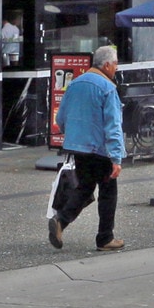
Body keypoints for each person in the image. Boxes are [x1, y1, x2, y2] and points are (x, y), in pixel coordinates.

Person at [48, 44, 125, 254]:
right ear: (107, 65)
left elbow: (61, 118)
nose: (116, 68)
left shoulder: (75, 84)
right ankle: (105, 238)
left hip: (77, 148)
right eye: (116, 64)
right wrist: (116, 157)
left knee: (84, 188)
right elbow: (113, 126)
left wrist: (73, 135)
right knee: (108, 192)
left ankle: (60, 221)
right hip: (101, 150)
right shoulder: (107, 88)